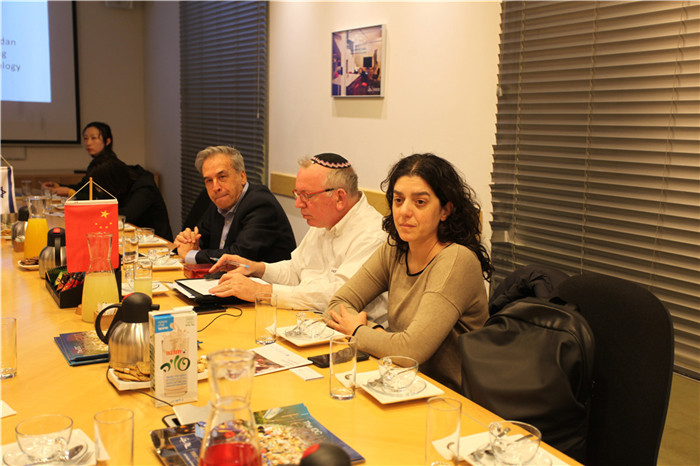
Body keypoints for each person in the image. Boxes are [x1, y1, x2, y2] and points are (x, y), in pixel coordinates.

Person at [323, 153, 492, 392]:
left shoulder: (456, 260)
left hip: (450, 397)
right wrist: (377, 334)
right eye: (398, 200)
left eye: (420, 202)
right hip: (402, 381)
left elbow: (411, 351)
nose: (404, 211)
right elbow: (336, 305)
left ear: (445, 210)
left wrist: (360, 330)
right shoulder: (396, 248)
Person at [207, 153, 388, 325]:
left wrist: (262, 291)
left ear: (339, 197)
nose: (298, 204)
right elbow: (295, 270)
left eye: (306, 195)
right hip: (312, 320)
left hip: (351, 336)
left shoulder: (371, 235)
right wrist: (256, 268)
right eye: (297, 194)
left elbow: (339, 298)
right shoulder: (324, 220)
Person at [173, 145, 295, 264]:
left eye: (222, 177)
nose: (215, 187)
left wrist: (190, 255)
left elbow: (238, 255)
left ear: (242, 177)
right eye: (209, 180)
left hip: (260, 278)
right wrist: (187, 241)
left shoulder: (261, 204)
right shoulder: (219, 201)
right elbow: (202, 238)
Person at [85, 156, 173, 241]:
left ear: (110, 181)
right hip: (132, 239)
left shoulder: (145, 186)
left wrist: (96, 212)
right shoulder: (119, 185)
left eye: (99, 186)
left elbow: (127, 215)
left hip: (157, 243)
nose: (99, 190)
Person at [43, 122, 118, 196]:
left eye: (93, 138)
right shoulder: (97, 163)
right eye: (86, 138)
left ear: (107, 141)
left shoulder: (109, 165)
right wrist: (57, 186)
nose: (88, 143)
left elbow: (101, 199)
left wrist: (70, 192)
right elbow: (82, 188)